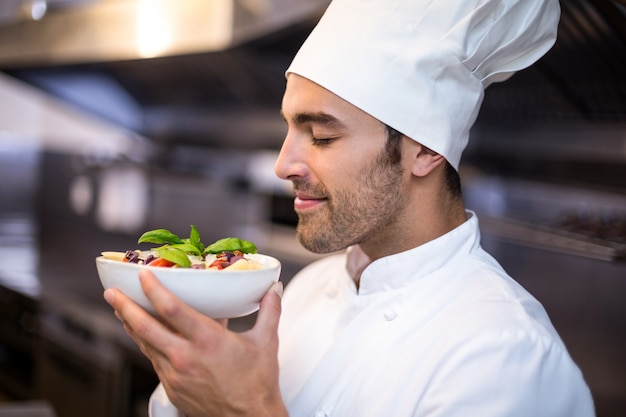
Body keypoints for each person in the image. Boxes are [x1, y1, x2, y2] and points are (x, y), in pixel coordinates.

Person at [104, 0, 596, 416]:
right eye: (289, 129)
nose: (283, 164)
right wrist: (189, 379)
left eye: (321, 135)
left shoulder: (505, 357)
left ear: (424, 149)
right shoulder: (310, 287)